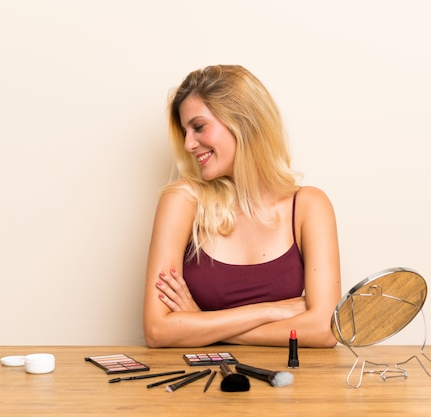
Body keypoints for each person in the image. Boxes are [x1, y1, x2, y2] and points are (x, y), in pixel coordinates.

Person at [143, 65, 341, 348]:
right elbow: (157, 330)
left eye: (198, 127)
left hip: (292, 386)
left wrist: (200, 322)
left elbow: (325, 330)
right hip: (201, 383)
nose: (188, 144)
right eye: (184, 131)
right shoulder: (183, 201)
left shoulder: (309, 206)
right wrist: (268, 310)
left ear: (243, 122)